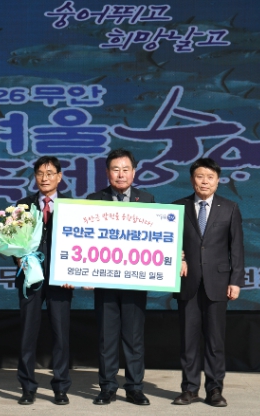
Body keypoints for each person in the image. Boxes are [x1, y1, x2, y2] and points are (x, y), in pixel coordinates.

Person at [171, 157, 244, 407]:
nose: (204, 181)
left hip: (218, 282)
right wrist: (177, 259)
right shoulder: (177, 207)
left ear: (218, 181)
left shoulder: (230, 208)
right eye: (200, 176)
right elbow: (169, 242)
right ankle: (189, 389)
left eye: (210, 177)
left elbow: (237, 248)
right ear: (192, 179)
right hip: (187, 281)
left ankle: (214, 389)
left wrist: (236, 280)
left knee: (215, 341)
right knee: (188, 340)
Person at [86, 148, 155, 406]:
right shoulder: (94, 200)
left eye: (126, 169)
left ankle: (135, 387)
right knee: (107, 337)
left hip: (135, 281)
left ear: (134, 173)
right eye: (115, 169)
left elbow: (157, 238)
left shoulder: (146, 199)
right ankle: (107, 387)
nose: (121, 174)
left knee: (134, 338)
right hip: (104, 281)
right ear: (107, 172)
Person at [14, 156, 74, 406]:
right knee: (28, 333)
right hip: (31, 279)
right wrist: (19, 258)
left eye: (50, 173)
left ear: (59, 177)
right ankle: (28, 387)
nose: (44, 178)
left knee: (61, 335)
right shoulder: (23, 205)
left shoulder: (72, 206)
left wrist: (73, 272)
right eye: (40, 173)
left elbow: (79, 244)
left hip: (61, 280)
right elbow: (13, 240)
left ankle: (60, 387)